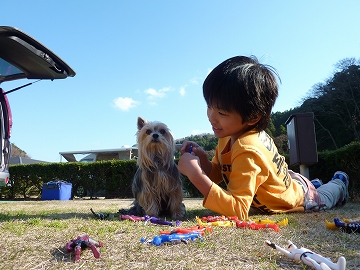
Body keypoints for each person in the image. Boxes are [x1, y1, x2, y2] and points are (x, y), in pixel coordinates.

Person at [178, 56, 349, 220]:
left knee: (326, 197)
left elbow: (238, 210)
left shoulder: (248, 149)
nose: (211, 117)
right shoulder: (228, 134)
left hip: (298, 197)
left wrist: (195, 175)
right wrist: (202, 160)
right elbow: (219, 173)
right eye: (209, 106)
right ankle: (313, 184)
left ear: (253, 117)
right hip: (282, 182)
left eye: (221, 113)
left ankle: (338, 184)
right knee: (304, 184)